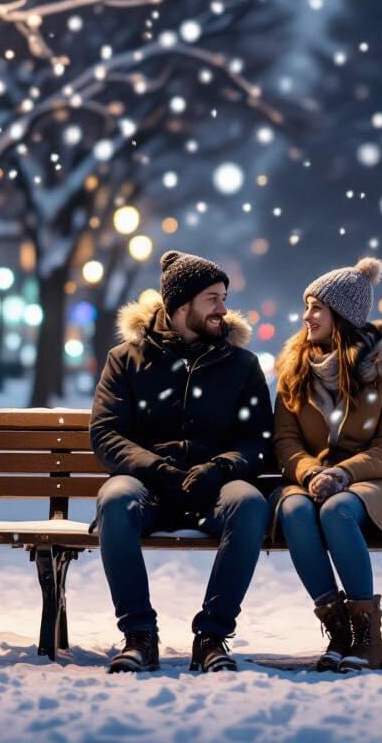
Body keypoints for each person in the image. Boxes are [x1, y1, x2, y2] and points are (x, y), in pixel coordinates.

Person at [90, 250, 273, 674]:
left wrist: (222, 467)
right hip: (148, 485)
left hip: (214, 488)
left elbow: (260, 439)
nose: (223, 310)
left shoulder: (241, 365)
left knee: (249, 503)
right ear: (181, 305)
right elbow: (106, 433)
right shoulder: (126, 360)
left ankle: (211, 636)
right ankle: (139, 635)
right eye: (213, 299)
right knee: (115, 499)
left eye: (224, 298)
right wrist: (155, 469)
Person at [272, 257, 382, 672]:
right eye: (307, 306)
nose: (307, 316)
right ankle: (338, 630)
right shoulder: (293, 368)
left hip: (376, 483)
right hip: (311, 481)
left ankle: (370, 638)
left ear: (343, 315)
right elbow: (286, 440)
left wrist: (344, 473)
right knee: (293, 510)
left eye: (317, 307)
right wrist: (310, 472)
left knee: (338, 510)